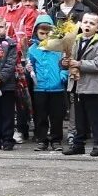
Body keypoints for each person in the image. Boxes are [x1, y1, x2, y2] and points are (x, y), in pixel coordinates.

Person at [65, 14, 98, 158]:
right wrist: (64, 62)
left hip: (92, 87)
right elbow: (67, 59)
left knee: (95, 117)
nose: (87, 25)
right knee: (79, 118)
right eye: (85, 22)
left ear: (97, 27)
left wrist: (79, 64)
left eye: (92, 23)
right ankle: (78, 144)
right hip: (77, 85)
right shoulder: (75, 40)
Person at [25, 18, 68, 150]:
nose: (45, 36)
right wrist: (29, 70)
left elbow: (65, 65)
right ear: (36, 33)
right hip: (40, 88)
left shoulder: (59, 47)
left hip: (57, 88)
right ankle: (41, 139)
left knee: (57, 116)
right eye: (42, 33)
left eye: (48, 33)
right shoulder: (33, 49)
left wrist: (62, 77)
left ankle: (56, 139)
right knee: (40, 115)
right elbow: (30, 64)